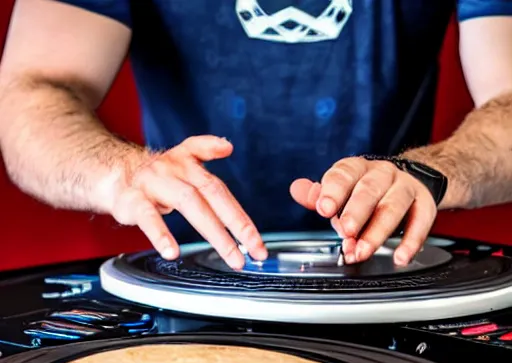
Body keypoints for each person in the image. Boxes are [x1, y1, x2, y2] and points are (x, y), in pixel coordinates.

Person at [0, 0, 511, 270]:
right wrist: (119, 173)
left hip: (385, 279)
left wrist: (429, 172)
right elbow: (29, 94)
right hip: (188, 287)